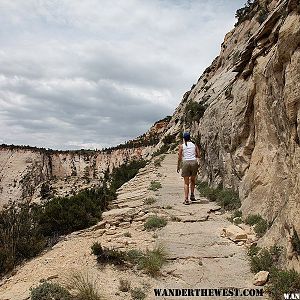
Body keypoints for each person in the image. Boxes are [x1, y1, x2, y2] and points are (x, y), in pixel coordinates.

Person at [177, 132, 200, 205]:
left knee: (186, 182)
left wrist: (178, 166)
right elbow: (198, 155)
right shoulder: (194, 145)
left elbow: (179, 157)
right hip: (194, 162)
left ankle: (186, 199)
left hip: (186, 163)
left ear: (184, 138)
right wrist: (194, 155)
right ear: (190, 137)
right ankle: (192, 195)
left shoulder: (182, 146)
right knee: (192, 180)